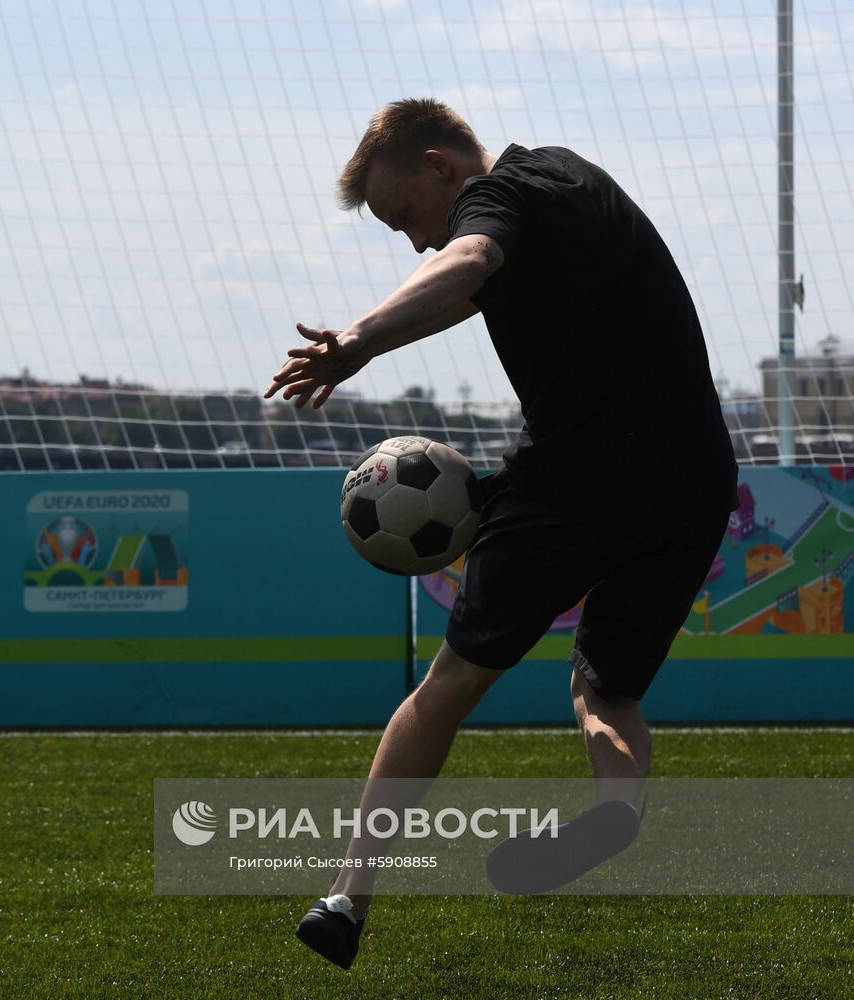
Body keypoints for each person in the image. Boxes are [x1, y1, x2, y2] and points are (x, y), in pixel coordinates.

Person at [265, 98, 739, 970]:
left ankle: (344, 899)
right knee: (605, 688)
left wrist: (360, 341)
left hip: (572, 484)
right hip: (692, 477)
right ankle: (614, 813)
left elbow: (470, 255)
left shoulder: (498, 199)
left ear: (443, 166)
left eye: (406, 215)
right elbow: (474, 279)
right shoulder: (574, 183)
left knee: (444, 689)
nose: (415, 242)